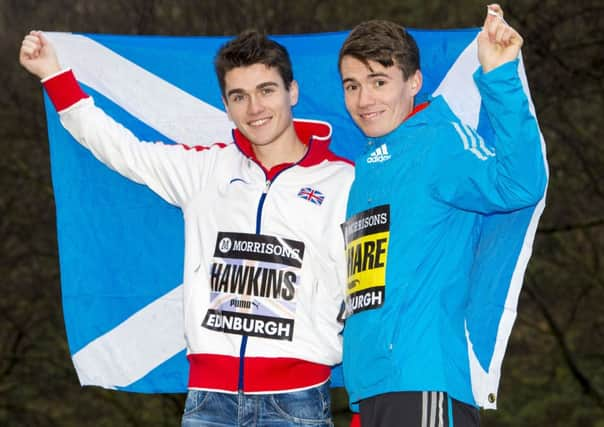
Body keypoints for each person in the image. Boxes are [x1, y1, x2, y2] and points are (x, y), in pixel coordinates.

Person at [20, 29, 353, 426]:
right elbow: (123, 150)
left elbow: (366, 292)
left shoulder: (344, 181)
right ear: (226, 106)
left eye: (266, 90)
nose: (254, 108)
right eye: (238, 96)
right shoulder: (205, 171)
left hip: (297, 401)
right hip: (209, 403)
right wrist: (53, 75)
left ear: (292, 92)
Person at [338, 4, 547, 427]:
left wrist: (500, 76)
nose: (364, 99)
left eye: (379, 82)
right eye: (352, 85)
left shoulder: (438, 142)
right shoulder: (368, 166)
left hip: (424, 382)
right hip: (371, 388)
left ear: (413, 82)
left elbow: (521, 183)